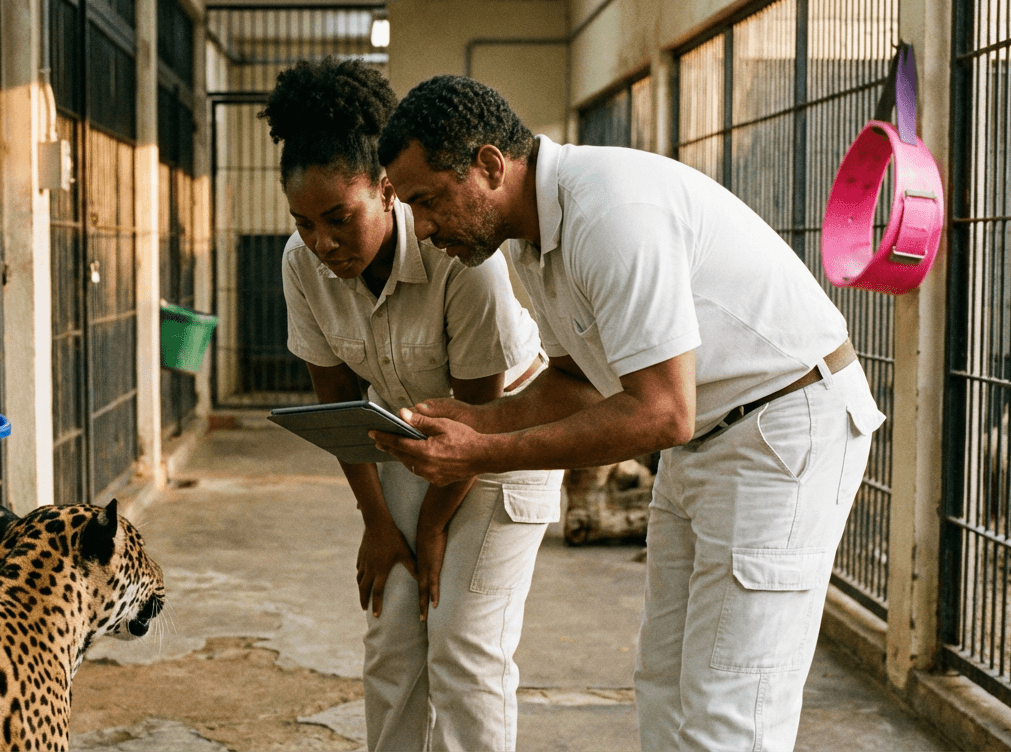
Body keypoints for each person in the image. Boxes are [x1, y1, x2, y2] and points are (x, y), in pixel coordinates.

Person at [370, 75, 887, 752]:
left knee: (732, 704)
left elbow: (661, 412)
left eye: (429, 200)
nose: (425, 226)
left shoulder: (608, 213)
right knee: (665, 685)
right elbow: (575, 382)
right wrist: (479, 422)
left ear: (490, 165)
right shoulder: (528, 239)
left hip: (782, 426)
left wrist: (482, 454)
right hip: (709, 433)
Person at [260, 58, 564, 752]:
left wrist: (429, 529)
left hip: (501, 441)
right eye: (302, 223)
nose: (321, 242)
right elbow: (336, 399)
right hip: (409, 441)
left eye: (339, 218)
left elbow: (477, 418)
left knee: (463, 645)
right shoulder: (300, 264)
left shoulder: (464, 259)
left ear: (387, 191)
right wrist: (378, 522)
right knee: (393, 632)